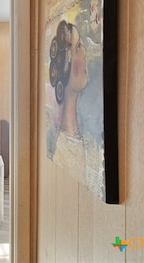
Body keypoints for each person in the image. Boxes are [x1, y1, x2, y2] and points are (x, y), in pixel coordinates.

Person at [49, 20, 104, 199]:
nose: (85, 51)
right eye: (78, 47)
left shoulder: (84, 140)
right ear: (66, 67)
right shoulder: (64, 151)